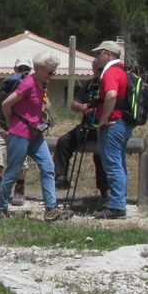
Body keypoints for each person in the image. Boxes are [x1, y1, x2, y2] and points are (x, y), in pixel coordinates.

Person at [0, 53, 72, 221]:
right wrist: (10, 123)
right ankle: (2, 208)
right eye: (50, 72)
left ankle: (51, 208)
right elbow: (6, 103)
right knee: (13, 171)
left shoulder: (42, 83)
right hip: (20, 133)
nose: (52, 75)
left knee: (48, 167)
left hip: (35, 133)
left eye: (54, 72)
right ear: (38, 69)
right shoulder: (28, 83)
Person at [53, 57, 109, 203]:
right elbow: (74, 105)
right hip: (86, 126)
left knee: (99, 154)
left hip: (103, 128)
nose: (98, 72)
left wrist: (98, 110)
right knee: (63, 141)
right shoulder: (90, 84)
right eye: (96, 69)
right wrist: (82, 107)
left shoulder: (109, 83)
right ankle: (61, 177)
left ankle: (105, 190)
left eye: (101, 69)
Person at [0, 58, 31, 205]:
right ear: (15, 69)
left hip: (23, 131)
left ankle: (19, 190)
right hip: (5, 129)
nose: (23, 72)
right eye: (20, 68)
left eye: (25, 69)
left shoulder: (32, 86)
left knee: (21, 159)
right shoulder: (7, 86)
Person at [92, 40, 133, 219]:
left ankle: (116, 206)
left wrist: (103, 120)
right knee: (119, 163)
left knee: (112, 164)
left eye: (99, 53)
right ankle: (120, 200)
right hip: (122, 123)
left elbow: (111, 95)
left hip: (113, 124)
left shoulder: (110, 71)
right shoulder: (123, 70)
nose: (97, 57)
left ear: (107, 54)